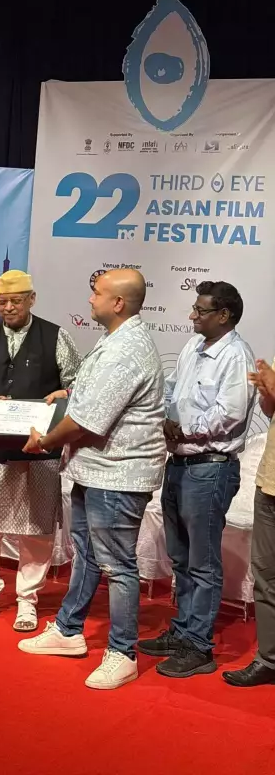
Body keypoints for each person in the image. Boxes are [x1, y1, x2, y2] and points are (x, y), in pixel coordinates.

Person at [19, 269, 166, 690]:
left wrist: (45, 441)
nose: (90, 299)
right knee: (84, 553)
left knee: (118, 566)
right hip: (95, 468)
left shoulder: (127, 349)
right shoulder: (114, 339)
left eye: (97, 293)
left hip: (118, 475)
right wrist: (69, 396)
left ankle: (122, 653)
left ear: (118, 303)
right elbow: (92, 398)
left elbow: (87, 421)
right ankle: (69, 630)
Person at [0, 270, 81, 631]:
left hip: (40, 446)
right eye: (2, 302)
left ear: (31, 299)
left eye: (16, 301)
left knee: (36, 527)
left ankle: (28, 600)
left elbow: (77, 382)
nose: (8, 308)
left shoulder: (56, 336)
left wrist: (64, 394)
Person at [140, 281, 255, 678]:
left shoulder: (236, 356)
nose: (192, 315)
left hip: (211, 468)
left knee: (202, 563)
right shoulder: (192, 346)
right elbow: (171, 390)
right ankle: (183, 631)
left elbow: (231, 414)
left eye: (200, 310)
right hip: (179, 464)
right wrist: (166, 420)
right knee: (181, 557)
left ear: (224, 315)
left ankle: (199, 646)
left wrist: (184, 429)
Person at [223, 357, 275, 687]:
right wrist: (268, 394)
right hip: (269, 482)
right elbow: (270, 413)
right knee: (265, 577)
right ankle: (269, 659)